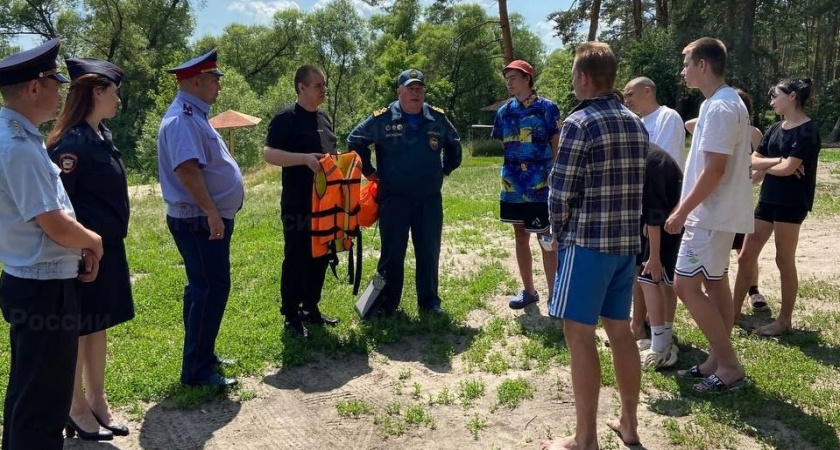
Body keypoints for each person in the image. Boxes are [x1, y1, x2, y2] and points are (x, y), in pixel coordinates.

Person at [542, 42, 648, 450]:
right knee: (620, 334)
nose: (572, 82)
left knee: (579, 336)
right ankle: (630, 424)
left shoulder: (579, 123)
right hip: (625, 247)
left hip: (586, 245)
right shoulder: (635, 122)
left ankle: (585, 438)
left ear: (584, 77)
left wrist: (556, 234)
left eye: (573, 75)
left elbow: (560, 190)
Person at [0, 39, 104, 450]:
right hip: (44, 289)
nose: (61, 91)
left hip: (33, 282)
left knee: (29, 395)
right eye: (54, 82)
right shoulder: (20, 147)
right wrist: (93, 240)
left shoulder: (15, 137)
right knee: (43, 404)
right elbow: (54, 224)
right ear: (33, 87)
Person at [47, 58, 133, 440]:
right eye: (114, 91)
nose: (118, 98)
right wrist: (82, 249)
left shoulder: (101, 135)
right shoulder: (72, 144)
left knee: (97, 327)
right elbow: (64, 205)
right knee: (79, 331)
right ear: (97, 92)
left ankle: (97, 401)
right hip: (85, 254)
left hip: (107, 250)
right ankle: (75, 407)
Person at [664, 37, 753, 393]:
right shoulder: (726, 103)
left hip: (709, 215)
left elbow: (714, 170)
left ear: (703, 65)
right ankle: (718, 359)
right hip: (720, 214)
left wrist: (682, 210)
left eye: (687, 63)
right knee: (715, 284)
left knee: (685, 284)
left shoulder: (718, 108)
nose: (683, 70)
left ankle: (729, 365)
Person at [157, 48, 244, 387]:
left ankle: (202, 355)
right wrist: (211, 212)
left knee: (201, 289)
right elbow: (187, 170)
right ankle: (196, 369)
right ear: (195, 81)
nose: (218, 86)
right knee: (210, 288)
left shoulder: (193, 114)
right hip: (197, 219)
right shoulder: (182, 118)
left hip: (202, 218)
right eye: (213, 79)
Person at [347, 69, 462, 317]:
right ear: (399, 91)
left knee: (429, 251)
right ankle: (386, 304)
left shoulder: (437, 118)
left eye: (419, 88)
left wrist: (446, 170)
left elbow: (454, 144)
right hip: (394, 199)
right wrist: (369, 172)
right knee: (392, 252)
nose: (415, 93)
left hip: (429, 199)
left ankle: (430, 302)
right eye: (409, 88)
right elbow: (354, 140)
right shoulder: (383, 118)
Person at [733, 78, 820, 336]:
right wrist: (779, 160)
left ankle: (784, 321)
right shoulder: (773, 129)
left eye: (776, 95)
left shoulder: (808, 130)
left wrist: (773, 164)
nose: (771, 101)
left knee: (783, 259)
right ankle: (733, 312)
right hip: (768, 199)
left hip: (792, 204)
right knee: (745, 256)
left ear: (792, 97)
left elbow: (787, 169)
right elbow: (754, 158)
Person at [263, 65, 340, 339]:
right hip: (298, 202)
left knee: (321, 254)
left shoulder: (324, 118)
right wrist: (303, 159)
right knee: (296, 256)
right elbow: (269, 154)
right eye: (318, 85)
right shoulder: (286, 117)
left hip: (326, 202)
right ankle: (291, 314)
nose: (324, 90)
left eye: (324, 85)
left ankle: (311, 307)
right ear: (302, 87)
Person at [686, 88, 767, 310]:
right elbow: (690, 125)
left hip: (737, 200)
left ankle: (753, 289)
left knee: (744, 251)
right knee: (718, 257)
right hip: (718, 200)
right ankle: (718, 292)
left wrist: (748, 181)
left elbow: (759, 164)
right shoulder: (714, 119)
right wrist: (711, 115)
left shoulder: (753, 132)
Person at [491, 59, 560, 310]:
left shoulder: (547, 108)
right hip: (513, 186)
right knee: (520, 235)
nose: (509, 82)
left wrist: (556, 174)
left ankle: (554, 296)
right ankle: (529, 291)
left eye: (514, 77)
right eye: (507, 78)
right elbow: (505, 145)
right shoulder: (504, 112)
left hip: (540, 184)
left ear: (527, 78)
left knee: (545, 237)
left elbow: (556, 143)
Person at [623, 76, 687, 344]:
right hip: (642, 205)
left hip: (660, 206)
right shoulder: (635, 121)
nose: (627, 100)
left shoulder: (667, 118)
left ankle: (652, 328)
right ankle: (642, 323)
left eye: (630, 94)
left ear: (648, 91)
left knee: (654, 268)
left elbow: (661, 165)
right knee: (642, 268)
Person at [638, 144, 683, 369]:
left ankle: (658, 348)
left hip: (666, 227)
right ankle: (665, 337)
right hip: (674, 223)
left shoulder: (648, 162)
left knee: (648, 280)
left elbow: (654, 213)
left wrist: (653, 256)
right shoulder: (654, 153)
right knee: (666, 284)